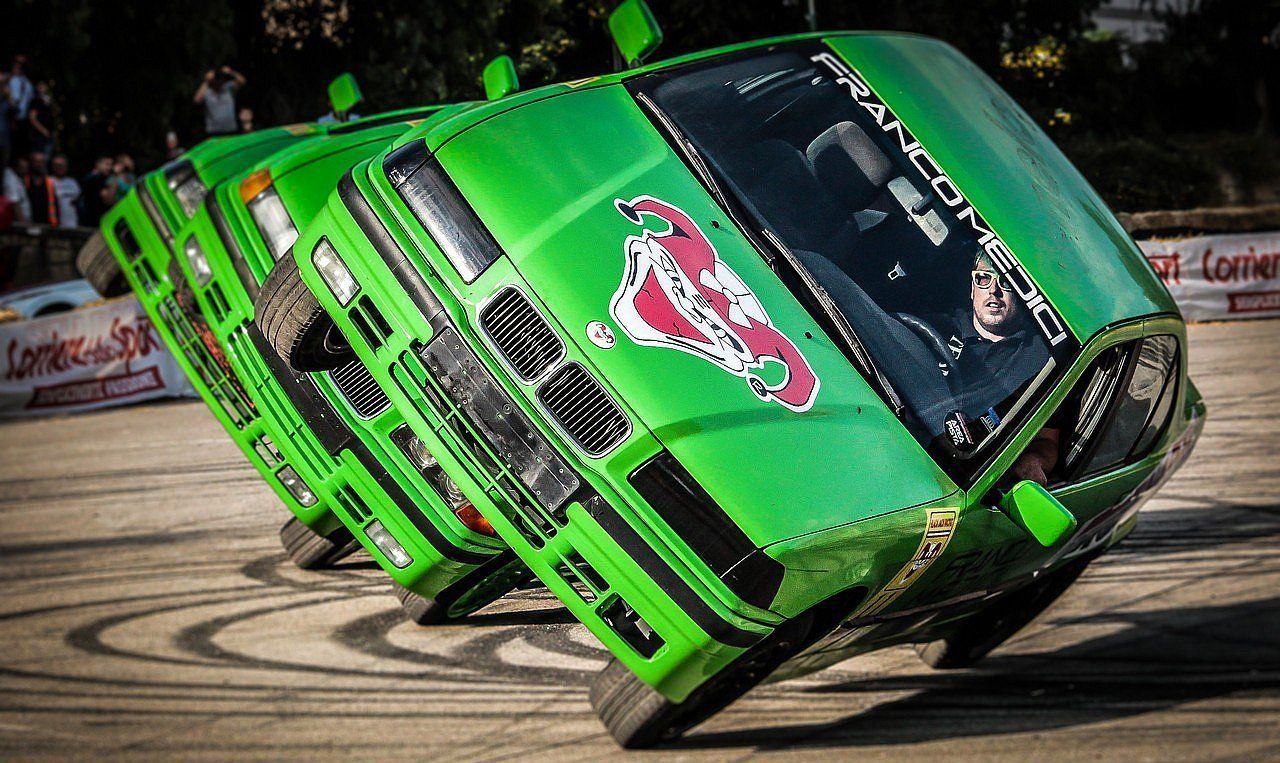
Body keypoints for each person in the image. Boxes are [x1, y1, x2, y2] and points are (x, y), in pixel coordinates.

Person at [928, 252, 1057, 485]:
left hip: (957, 479)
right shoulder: (936, 327)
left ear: (1023, 294)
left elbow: (1048, 440)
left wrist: (1032, 461)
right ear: (972, 289)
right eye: (983, 279)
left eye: (1006, 282)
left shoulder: (1041, 361)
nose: (993, 291)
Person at [194, 66, 246, 136]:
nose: (219, 81)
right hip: (213, 132)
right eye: (216, 78)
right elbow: (197, 100)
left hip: (231, 130)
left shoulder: (228, 88)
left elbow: (242, 81)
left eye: (220, 78)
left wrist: (231, 72)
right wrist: (206, 80)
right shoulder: (207, 92)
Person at [22, 151, 57, 225]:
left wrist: (54, 222)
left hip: (47, 223)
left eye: (41, 162)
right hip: (28, 221)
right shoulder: (25, 180)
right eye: (36, 161)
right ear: (32, 163)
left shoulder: (49, 181)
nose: (39, 164)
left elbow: (54, 203)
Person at [80, 156, 114, 227]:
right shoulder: (96, 179)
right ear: (98, 164)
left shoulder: (91, 177)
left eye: (111, 165)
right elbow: (108, 199)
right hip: (92, 220)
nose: (109, 168)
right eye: (107, 164)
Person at [50, 154, 79, 229]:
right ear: (53, 166)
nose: (60, 167)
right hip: (55, 226)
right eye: (57, 165)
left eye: (63, 165)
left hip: (73, 225)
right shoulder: (49, 181)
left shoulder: (73, 182)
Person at [26, 82, 53, 156]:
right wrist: (43, 130)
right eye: (40, 86)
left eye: (43, 86)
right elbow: (32, 118)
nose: (42, 88)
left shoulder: (48, 101)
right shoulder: (35, 101)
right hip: (39, 135)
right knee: (38, 157)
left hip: (48, 134)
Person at [3, 155, 30, 222]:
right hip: (18, 222)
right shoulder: (10, 179)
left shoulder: (18, 177)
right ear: (16, 167)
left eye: (26, 168)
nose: (26, 171)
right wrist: (23, 223)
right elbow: (15, 203)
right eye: (23, 168)